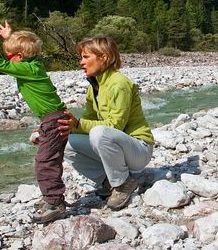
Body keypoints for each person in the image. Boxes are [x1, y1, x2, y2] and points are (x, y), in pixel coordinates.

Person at [0, 21, 69, 224]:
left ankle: (55, 202)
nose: (8, 59)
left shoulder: (27, 68)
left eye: (10, 55)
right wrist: (9, 37)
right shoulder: (33, 64)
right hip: (54, 117)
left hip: (53, 120)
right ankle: (53, 197)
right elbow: (18, 53)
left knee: (45, 161)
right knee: (51, 158)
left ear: (20, 57)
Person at [57, 36, 154, 210]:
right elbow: (89, 120)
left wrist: (78, 124)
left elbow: (116, 126)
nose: (81, 62)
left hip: (139, 149)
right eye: (81, 57)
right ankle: (108, 181)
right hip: (117, 144)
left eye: (86, 57)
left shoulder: (119, 84)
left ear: (104, 57)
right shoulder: (94, 86)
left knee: (99, 132)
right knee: (65, 142)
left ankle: (122, 184)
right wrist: (61, 130)